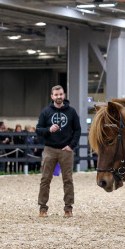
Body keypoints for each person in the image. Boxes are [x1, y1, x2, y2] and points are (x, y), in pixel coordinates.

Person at [36, 85, 81, 217]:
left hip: (66, 150)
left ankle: (68, 208)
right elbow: (38, 129)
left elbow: (77, 130)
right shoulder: (46, 112)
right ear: (52, 96)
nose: (59, 97)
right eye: (56, 95)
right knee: (45, 179)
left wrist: (72, 146)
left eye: (60, 94)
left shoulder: (71, 112)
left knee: (68, 180)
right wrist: (48, 130)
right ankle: (42, 208)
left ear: (64, 95)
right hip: (50, 149)